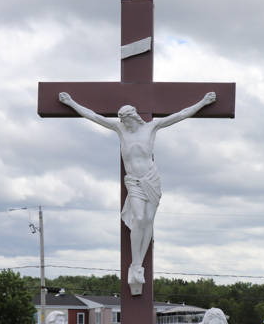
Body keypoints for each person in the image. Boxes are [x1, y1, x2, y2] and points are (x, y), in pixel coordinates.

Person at [59, 91, 216, 286]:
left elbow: (181, 114)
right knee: (139, 218)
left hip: (151, 179)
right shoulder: (119, 129)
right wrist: (71, 102)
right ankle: (135, 264)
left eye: (128, 121)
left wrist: (202, 102)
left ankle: (138, 265)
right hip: (133, 181)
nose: (127, 125)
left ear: (135, 117)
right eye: (124, 122)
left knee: (149, 219)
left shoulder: (152, 127)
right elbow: (93, 115)